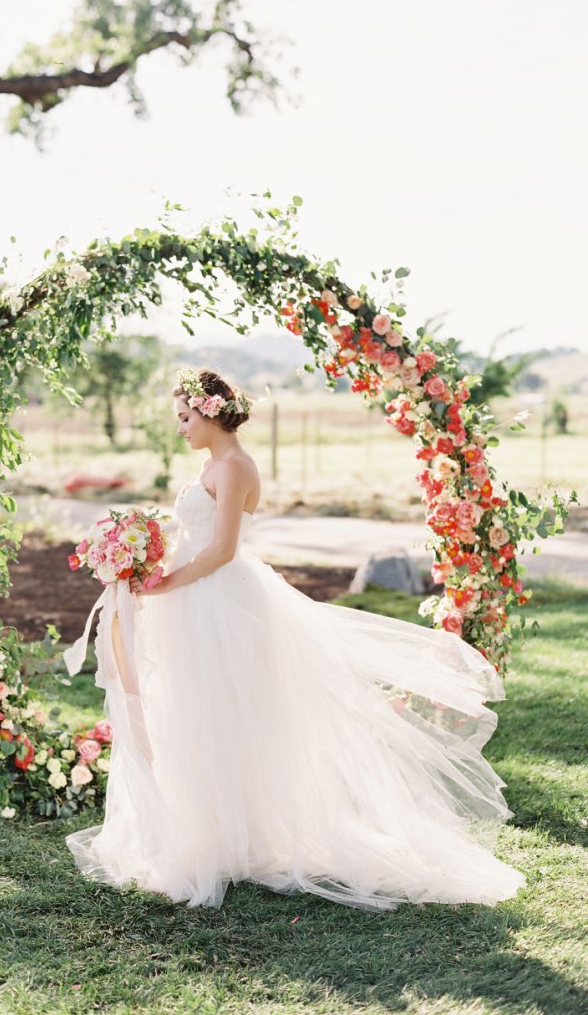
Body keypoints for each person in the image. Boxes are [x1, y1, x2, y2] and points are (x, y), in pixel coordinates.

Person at [65, 367, 527, 911]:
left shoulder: (236, 466)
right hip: (193, 600)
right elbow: (193, 537)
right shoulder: (211, 463)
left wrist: (163, 582)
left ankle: (228, 839)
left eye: (186, 417)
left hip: (220, 600)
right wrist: (139, 555)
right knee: (196, 713)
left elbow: (222, 551)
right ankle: (210, 833)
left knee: (223, 711)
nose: (180, 428)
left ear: (210, 412)